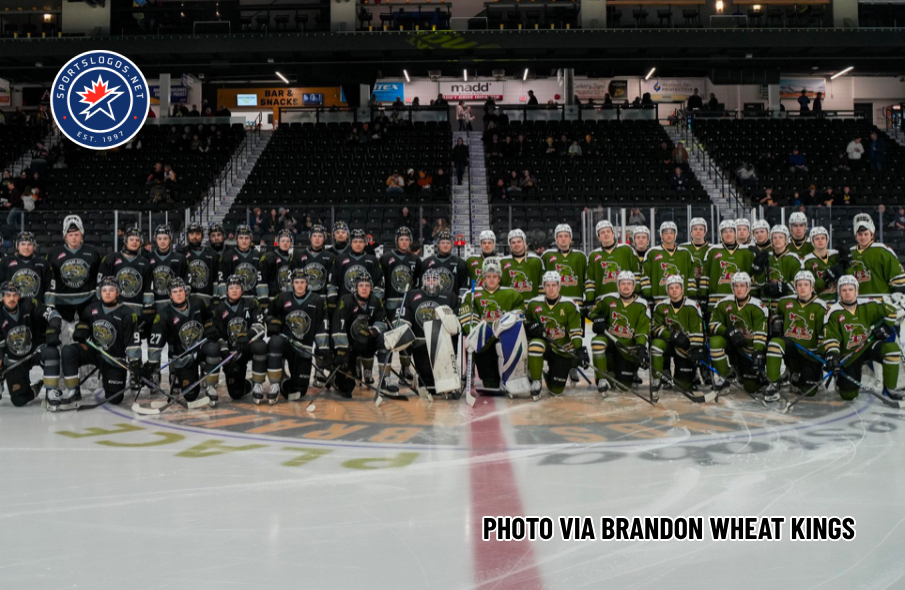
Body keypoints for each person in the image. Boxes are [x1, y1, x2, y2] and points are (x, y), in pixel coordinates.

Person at [60, 277, 141, 406]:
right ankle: (73, 390)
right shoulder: (91, 309)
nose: (107, 293)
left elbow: (133, 342)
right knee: (69, 351)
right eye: (104, 290)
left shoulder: (128, 314)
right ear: (100, 292)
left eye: (111, 290)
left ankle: (110, 380)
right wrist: (81, 331)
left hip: (113, 358)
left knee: (115, 399)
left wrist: (136, 363)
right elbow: (83, 324)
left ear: (118, 292)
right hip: (94, 351)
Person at [823, 275, 905, 401]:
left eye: (851, 289)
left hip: (867, 345)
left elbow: (892, 310)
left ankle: (889, 389)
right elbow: (831, 337)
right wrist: (833, 356)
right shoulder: (833, 312)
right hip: (849, 355)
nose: (848, 293)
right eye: (844, 290)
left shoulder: (868, 305)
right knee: (848, 395)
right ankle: (841, 381)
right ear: (839, 292)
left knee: (891, 349)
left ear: (857, 291)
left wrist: (886, 327)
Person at [262, 268, 330, 403]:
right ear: (292, 283)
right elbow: (267, 314)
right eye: (297, 282)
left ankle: (284, 382)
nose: (299, 285)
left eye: (302, 282)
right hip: (286, 343)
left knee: (298, 391)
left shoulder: (317, 301)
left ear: (307, 283)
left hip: (303, 348)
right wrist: (272, 322)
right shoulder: (282, 298)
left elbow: (323, 324)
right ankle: (275, 384)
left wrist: (323, 349)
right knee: (275, 342)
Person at [199, 274, 267, 407]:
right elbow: (218, 336)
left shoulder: (252, 304)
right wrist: (225, 354)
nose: (234, 290)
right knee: (236, 393)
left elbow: (260, 326)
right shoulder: (219, 309)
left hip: (248, 346)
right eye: (231, 287)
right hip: (231, 354)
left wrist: (247, 336)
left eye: (237, 287)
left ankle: (258, 384)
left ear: (242, 290)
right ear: (227, 290)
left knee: (261, 346)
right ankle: (245, 384)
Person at [459, 259, 526, 393]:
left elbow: (520, 311)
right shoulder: (472, 294)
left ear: (499, 278)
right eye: (488, 277)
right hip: (484, 338)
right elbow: (466, 316)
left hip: (503, 335)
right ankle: (487, 377)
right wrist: (474, 331)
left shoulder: (512, 294)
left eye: (494, 277)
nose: (491, 280)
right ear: (483, 278)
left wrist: (509, 320)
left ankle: (513, 378)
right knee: (491, 383)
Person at [144, 278, 213, 405]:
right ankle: (187, 376)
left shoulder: (198, 303)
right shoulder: (164, 315)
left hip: (200, 350)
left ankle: (209, 382)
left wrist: (209, 327)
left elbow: (209, 317)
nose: (179, 294)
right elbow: (156, 341)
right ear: (170, 295)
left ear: (185, 292)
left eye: (181, 290)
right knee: (190, 395)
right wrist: (151, 364)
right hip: (182, 357)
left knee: (213, 349)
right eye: (175, 292)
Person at [763, 270, 828, 400]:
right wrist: (776, 320)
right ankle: (774, 384)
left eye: (806, 284)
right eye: (799, 284)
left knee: (808, 391)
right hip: (791, 348)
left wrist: (823, 355)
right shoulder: (785, 302)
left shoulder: (821, 306)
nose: (802, 287)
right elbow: (775, 314)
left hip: (810, 354)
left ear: (812, 287)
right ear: (795, 287)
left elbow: (824, 334)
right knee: (775, 343)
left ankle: (809, 374)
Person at [0, 281, 62, 408]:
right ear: (2, 297)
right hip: (14, 360)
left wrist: (54, 328)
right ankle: (38, 386)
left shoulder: (29, 304)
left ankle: (51, 391)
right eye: (8, 295)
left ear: (19, 296)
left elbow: (53, 313)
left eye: (14, 295)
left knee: (51, 352)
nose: (12, 299)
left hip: (35, 351)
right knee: (19, 400)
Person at [524, 271, 585, 398]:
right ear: (543, 286)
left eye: (554, 285)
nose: (551, 288)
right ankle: (536, 380)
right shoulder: (533, 304)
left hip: (562, 349)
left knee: (556, 390)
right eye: (548, 285)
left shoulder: (570, 305)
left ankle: (549, 375)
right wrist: (529, 326)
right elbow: (525, 323)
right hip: (545, 345)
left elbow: (575, 331)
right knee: (535, 344)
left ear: (559, 286)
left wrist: (579, 349)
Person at [709, 272, 769, 397]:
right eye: (736, 286)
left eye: (742, 286)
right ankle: (723, 377)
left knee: (751, 387)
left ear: (748, 287)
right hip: (732, 344)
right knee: (715, 341)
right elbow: (712, 324)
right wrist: (728, 331)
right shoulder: (723, 304)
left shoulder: (758, 306)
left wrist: (758, 353)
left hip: (749, 349)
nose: (739, 289)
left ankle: (744, 371)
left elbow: (760, 332)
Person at [589, 271, 650, 394]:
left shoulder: (642, 305)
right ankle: (601, 378)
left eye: (629, 283)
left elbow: (643, 329)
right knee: (597, 342)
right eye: (623, 283)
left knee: (623, 387)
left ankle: (617, 372)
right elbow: (592, 312)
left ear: (634, 286)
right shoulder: (608, 299)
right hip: (611, 342)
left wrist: (642, 347)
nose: (626, 286)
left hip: (627, 349)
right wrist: (597, 319)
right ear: (618, 285)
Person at [331, 274, 390, 398]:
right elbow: (338, 325)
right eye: (361, 285)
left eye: (367, 285)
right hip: (349, 345)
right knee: (346, 388)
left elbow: (382, 323)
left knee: (385, 339)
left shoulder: (375, 301)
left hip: (366, 342)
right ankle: (342, 375)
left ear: (371, 288)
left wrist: (370, 332)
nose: (364, 288)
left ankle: (384, 380)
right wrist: (342, 350)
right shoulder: (345, 301)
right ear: (355, 288)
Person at [650, 275, 706, 398]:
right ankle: (658, 377)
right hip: (669, 343)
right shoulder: (660, 306)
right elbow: (654, 328)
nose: (674, 290)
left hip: (684, 347)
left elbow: (697, 333)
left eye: (677, 287)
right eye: (671, 288)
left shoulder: (692, 307)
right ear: (667, 290)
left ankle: (689, 374)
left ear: (682, 289)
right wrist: (672, 335)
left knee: (683, 385)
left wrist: (693, 348)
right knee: (656, 344)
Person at [97, 226, 155, 335]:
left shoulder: (145, 263)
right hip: (114, 310)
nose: (134, 242)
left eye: (137, 240)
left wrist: (147, 309)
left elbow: (148, 288)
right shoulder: (111, 259)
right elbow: (101, 285)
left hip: (135, 311)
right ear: (125, 241)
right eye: (131, 239)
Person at [46, 215, 103, 324]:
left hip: (88, 301)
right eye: (70, 235)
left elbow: (98, 278)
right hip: (62, 301)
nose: (73, 238)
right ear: (65, 236)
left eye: (76, 234)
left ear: (82, 236)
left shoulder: (93, 253)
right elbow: (50, 280)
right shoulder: (53, 254)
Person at [845, 214, 905, 298]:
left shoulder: (883, 250)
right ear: (856, 236)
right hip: (856, 301)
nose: (863, 237)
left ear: (872, 235)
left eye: (866, 234)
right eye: (860, 234)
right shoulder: (850, 253)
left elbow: (897, 279)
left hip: (881, 300)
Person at [700, 220, 754, 310]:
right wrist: (703, 297)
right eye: (725, 231)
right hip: (715, 301)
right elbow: (705, 275)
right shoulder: (713, 251)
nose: (728, 234)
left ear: (735, 233)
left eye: (731, 231)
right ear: (721, 234)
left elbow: (752, 277)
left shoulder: (747, 251)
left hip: (741, 301)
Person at [751, 225, 804, 315]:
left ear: (786, 240)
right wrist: (757, 268)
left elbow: (800, 282)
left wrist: (780, 287)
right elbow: (758, 283)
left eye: (780, 237)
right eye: (774, 237)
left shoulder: (795, 259)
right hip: (765, 303)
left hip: (786, 304)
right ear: (771, 240)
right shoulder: (766, 256)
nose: (777, 240)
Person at [641, 222, 697, 304]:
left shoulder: (685, 253)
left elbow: (691, 273)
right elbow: (645, 272)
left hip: (681, 299)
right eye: (666, 233)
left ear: (675, 234)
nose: (669, 235)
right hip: (658, 299)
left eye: (671, 232)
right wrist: (647, 290)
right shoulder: (652, 253)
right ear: (661, 235)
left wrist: (691, 290)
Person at [587, 220, 640, 299]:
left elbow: (636, 272)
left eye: (608, 231)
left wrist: (637, 291)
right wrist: (590, 297)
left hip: (624, 299)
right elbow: (590, 279)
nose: (606, 234)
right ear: (598, 237)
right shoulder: (593, 255)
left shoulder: (626, 249)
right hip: (602, 299)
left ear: (613, 234)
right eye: (602, 232)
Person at [148, 225, 189, 322]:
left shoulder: (180, 258)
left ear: (170, 239)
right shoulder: (147, 258)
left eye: (165, 238)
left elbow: (186, 279)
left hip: (175, 303)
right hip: (155, 303)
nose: (162, 241)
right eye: (160, 238)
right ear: (156, 240)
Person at [331, 228, 384, 304]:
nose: (358, 244)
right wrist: (333, 300)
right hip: (345, 303)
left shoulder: (373, 260)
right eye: (355, 241)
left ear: (365, 243)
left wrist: (375, 302)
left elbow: (379, 282)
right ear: (350, 243)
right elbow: (333, 280)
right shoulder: (340, 259)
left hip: (366, 304)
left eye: (361, 241)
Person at [0, 231, 53, 304]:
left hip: (37, 308)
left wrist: (49, 305)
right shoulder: (6, 261)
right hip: (13, 307)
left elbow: (49, 287)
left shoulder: (43, 263)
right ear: (18, 246)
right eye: (23, 244)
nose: (26, 247)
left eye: (29, 244)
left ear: (34, 246)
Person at [216, 224, 263, 303]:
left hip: (253, 299)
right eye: (241, 238)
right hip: (233, 299)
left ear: (251, 239)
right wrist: (224, 297)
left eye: (246, 238)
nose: (244, 241)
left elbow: (261, 279)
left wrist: (261, 298)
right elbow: (222, 278)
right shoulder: (228, 255)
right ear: (236, 239)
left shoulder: (258, 255)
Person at [180, 222, 219, 308]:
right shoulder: (180, 253)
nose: (195, 236)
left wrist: (216, 296)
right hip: (185, 299)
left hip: (207, 298)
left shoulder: (212, 254)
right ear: (187, 236)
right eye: (192, 234)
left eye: (197, 234)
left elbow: (217, 278)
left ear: (202, 236)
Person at [423, 229, 469, 298]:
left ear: (452, 244)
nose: (445, 245)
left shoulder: (460, 263)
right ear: (438, 244)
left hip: (453, 302)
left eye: (448, 243)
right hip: (433, 300)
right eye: (442, 243)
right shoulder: (427, 262)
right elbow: (423, 286)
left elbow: (463, 288)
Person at [802, 227, 843, 303]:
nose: (820, 241)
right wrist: (825, 278)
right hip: (819, 302)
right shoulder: (806, 260)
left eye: (822, 238)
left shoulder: (836, 255)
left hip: (839, 300)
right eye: (817, 239)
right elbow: (808, 286)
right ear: (812, 241)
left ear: (827, 240)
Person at [501, 229, 544, 298]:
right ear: (510, 245)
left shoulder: (536, 260)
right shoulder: (502, 262)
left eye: (519, 241)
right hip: (511, 306)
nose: (516, 244)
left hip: (531, 304)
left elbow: (542, 286)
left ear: (524, 242)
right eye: (513, 242)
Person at [680, 218, 712, 302]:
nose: (698, 231)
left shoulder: (712, 249)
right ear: (691, 232)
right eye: (695, 229)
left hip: (707, 288)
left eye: (701, 229)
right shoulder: (682, 248)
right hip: (687, 289)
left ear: (705, 232)